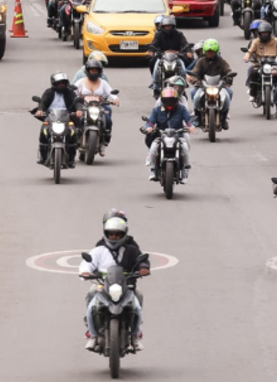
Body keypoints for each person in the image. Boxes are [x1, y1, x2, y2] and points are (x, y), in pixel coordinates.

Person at [80, 215, 149, 352]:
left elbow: (141, 261)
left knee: (137, 303)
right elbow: (87, 263)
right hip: (103, 285)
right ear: (106, 234)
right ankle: (92, 335)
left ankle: (135, 336)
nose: (114, 237)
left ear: (123, 235)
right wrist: (86, 272)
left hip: (126, 286)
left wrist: (143, 268)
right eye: (111, 234)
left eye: (117, 235)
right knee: (91, 301)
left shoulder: (132, 250)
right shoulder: (98, 251)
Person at [144, 87, 195, 181]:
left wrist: (191, 126)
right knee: (153, 149)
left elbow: (188, 119)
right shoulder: (156, 110)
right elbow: (150, 121)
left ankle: (185, 172)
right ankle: (152, 170)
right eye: (167, 100)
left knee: (185, 148)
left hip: (177, 135)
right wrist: (149, 127)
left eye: (172, 100)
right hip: (161, 135)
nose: (169, 103)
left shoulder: (182, 109)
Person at [34, 72, 82, 166]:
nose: (61, 85)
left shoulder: (70, 93)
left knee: (73, 132)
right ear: (54, 83)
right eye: (59, 83)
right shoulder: (49, 92)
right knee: (44, 130)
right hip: (51, 116)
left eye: (63, 83)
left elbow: (77, 102)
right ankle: (43, 156)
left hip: (66, 117)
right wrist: (40, 110)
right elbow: (43, 102)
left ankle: (71, 159)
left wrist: (79, 110)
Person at [187, 39, 233, 129]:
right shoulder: (201, 61)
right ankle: (198, 117)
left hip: (219, 85)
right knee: (194, 95)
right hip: (203, 85)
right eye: (208, 52)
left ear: (216, 52)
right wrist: (194, 80)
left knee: (229, 93)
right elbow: (195, 72)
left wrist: (229, 78)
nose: (210, 53)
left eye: (212, 52)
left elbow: (228, 70)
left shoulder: (221, 61)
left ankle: (224, 118)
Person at [73, 59, 118, 149]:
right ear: (88, 70)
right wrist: (74, 98)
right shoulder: (81, 81)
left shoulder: (103, 82)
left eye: (96, 70)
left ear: (99, 71)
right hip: (84, 105)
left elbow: (110, 92)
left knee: (108, 115)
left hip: (99, 105)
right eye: (92, 70)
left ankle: (105, 137)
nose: (94, 72)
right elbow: (73, 90)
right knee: (75, 116)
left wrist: (116, 99)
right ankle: (75, 136)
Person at [243, 21, 277, 105]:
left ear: (270, 33)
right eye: (263, 33)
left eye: (266, 33)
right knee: (253, 71)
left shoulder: (276, 41)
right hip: (259, 63)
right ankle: (253, 92)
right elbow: (250, 51)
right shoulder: (256, 41)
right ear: (259, 33)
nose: (264, 35)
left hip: (274, 64)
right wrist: (247, 56)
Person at [149, 15, 191, 92]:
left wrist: (188, 51)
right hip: (162, 56)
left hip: (176, 56)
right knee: (153, 63)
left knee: (183, 64)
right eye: (166, 26)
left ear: (173, 26)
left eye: (169, 26)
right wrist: (152, 51)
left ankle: (184, 81)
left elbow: (185, 44)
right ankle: (155, 84)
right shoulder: (159, 34)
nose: (168, 28)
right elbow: (154, 44)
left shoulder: (179, 34)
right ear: (163, 27)